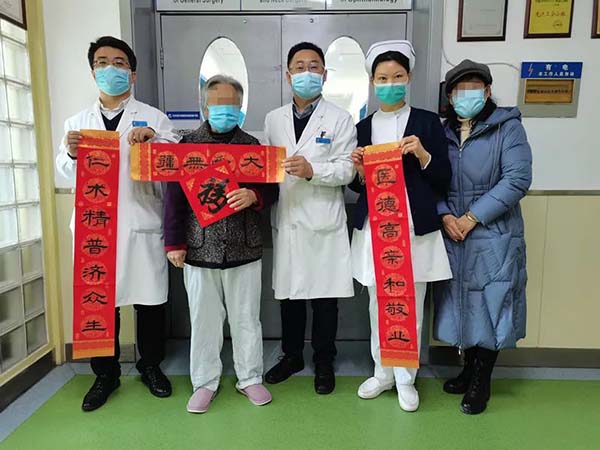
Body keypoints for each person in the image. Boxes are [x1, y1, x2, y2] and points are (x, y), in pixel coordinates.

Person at [56, 36, 178, 411]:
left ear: (133, 73)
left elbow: (174, 165)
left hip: (141, 222)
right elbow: (63, 175)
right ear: (93, 72)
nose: (111, 69)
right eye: (103, 62)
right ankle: (105, 375)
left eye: (119, 63)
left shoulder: (154, 117)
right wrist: (71, 154)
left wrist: (153, 142)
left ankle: (150, 366)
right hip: (95, 228)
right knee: (99, 303)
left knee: (149, 302)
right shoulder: (77, 124)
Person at [348, 40, 452, 412]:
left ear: (408, 78)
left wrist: (423, 154)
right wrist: (359, 171)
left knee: (411, 302)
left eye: (397, 76)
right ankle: (382, 372)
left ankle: (407, 377)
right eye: (382, 78)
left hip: (413, 225)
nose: (390, 83)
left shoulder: (427, 122)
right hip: (376, 228)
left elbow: (443, 177)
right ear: (372, 82)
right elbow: (356, 186)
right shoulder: (362, 127)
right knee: (379, 301)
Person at [164, 75, 278, 413]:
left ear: (240, 107)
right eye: (217, 104)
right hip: (199, 247)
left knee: (246, 318)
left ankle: (250, 377)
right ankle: (204, 381)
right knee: (204, 319)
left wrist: (254, 195)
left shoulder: (252, 146)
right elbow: (173, 200)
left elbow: (272, 188)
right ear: (205, 106)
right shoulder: (187, 146)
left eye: (231, 104)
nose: (224, 110)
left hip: (244, 246)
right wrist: (174, 242)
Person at [434, 59, 532, 415]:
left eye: (474, 88)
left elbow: (517, 179)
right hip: (453, 233)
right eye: (459, 90)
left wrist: (472, 217)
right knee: (462, 303)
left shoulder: (507, 128)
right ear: (449, 96)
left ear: (488, 91)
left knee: (493, 302)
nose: (466, 95)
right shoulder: (442, 132)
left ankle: (482, 380)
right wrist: (445, 214)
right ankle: (467, 369)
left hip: (494, 233)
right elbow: (431, 177)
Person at [263, 42, 357, 395]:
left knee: (324, 298)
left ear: (325, 75)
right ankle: (292, 356)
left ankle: (323, 360)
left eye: (314, 66)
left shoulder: (340, 119)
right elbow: (267, 167)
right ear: (288, 75)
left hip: (323, 221)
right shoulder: (273, 119)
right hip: (288, 218)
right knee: (289, 296)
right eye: (299, 67)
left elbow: (348, 170)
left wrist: (312, 170)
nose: (307, 72)